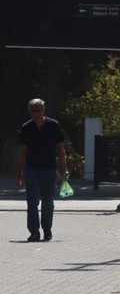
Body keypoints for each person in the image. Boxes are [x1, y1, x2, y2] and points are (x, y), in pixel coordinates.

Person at [16, 98, 68, 242]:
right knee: (32, 201)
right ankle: (34, 231)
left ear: (44, 110)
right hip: (32, 168)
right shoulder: (27, 128)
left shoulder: (53, 125)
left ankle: (47, 229)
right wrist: (19, 170)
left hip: (49, 168)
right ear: (30, 112)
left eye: (38, 111)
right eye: (33, 111)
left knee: (48, 201)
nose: (36, 114)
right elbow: (23, 150)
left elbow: (61, 147)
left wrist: (63, 167)